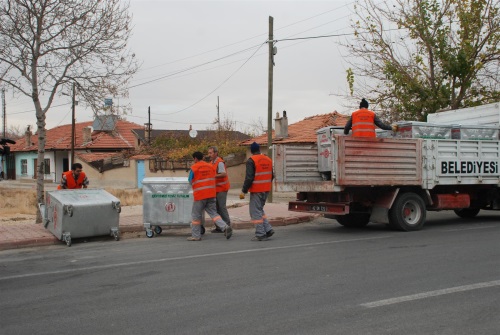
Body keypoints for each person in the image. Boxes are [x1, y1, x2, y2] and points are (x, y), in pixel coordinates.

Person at [188, 151, 232, 241]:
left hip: (200, 195)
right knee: (213, 213)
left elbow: (190, 180)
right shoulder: (210, 166)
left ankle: (196, 236)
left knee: (196, 215)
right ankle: (225, 227)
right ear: (203, 158)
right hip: (211, 194)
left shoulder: (194, 167)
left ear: (195, 158)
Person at [240, 142, 274, 241]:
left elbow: (249, 177)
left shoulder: (251, 160)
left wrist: (244, 190)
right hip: (266, 189)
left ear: (251, 150)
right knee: (259, 210)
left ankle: (260, 234)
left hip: (257, 190)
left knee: (255, 212)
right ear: (259, 149)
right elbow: (272, 175)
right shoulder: (268, 159)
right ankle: (268, 229)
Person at [207, 145, 231, 233]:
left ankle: (227, 225)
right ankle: (219, 227)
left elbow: (223, 174)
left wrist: (213, 176)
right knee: (216, 208)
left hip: (222, 189)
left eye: (211, 153)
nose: (209, 154)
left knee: (221, 207)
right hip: (215, 189)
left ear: (216, 153)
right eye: (208, 153)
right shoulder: (211, 163)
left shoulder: (220, 162)